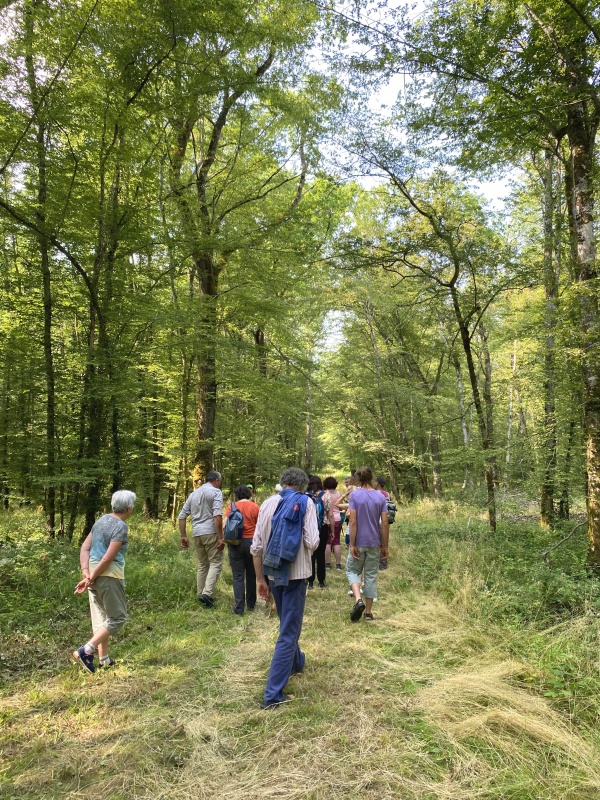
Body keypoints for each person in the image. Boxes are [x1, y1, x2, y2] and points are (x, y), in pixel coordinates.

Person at [251, 467, 319, 708]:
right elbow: (312, 542)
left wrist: (260, 579)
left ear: (282, 482)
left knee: (287, 622)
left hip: (271, 573)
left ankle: (297, 662)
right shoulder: (306, 503)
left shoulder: (267, 503)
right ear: (302, 485)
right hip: (296, 575)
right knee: (289, 631)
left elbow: (257, 546)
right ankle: (273, 694)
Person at [72, 490, 137, 674]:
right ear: (130, 507)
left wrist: (87, 574)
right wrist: (90, 576)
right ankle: (86, 650)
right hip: (110, 576)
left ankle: (104, 659)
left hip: (93, 576)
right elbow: (108, 558)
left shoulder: (100, 521)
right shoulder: (121, 526)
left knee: (102, 619)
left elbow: (85, 548)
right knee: (117, 618)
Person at [346, 466, 389, 622]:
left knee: (352, 571)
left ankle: (358, 599)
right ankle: (369, 613)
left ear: (358, 478)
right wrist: (385, 546)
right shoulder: (380, 497)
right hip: (374, 542)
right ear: (372, 478)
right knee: (371, 576)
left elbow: (353, 520)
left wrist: (352, 544)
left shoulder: (355, 496)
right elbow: (384, 523)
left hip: (359, 541)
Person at [178, 470, 224, 608]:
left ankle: (200, 594)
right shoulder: (216, 492)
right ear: (216, 480)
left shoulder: (193, 494)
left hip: (197, 533)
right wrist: (220, 537)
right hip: (210, 532)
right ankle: (207, 594)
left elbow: (181, 516)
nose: (219, 484)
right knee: (216, 562)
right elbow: (217, 516)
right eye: (219, 482)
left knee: (203, 564)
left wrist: (183, 536)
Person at [224, 484, 260, 615]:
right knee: (252, 574)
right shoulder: (255, 506)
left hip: (235, 543)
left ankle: (239, 608)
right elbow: (260, 525)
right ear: (249, 494)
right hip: (252, 542)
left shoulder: (231, 507)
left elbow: (225, 525)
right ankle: (251, 604)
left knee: (238, 576)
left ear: (237, 495)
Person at [306, 475, 327, 589]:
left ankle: (310, 581)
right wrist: (332, 530)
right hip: (323, 528)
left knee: (310, 555)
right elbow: (329, 514)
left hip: (310, 529)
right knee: (321, 555)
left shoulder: (305, 497)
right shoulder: (325, 496)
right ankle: (322, 580)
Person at [322, 476, 342, 570]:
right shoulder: (338, 493)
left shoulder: (324, 494)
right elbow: (341, 507)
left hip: (327, 519)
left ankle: (327, 564)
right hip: (337, 518)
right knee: (337, 542)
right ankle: (338, 564)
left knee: (328, 542)